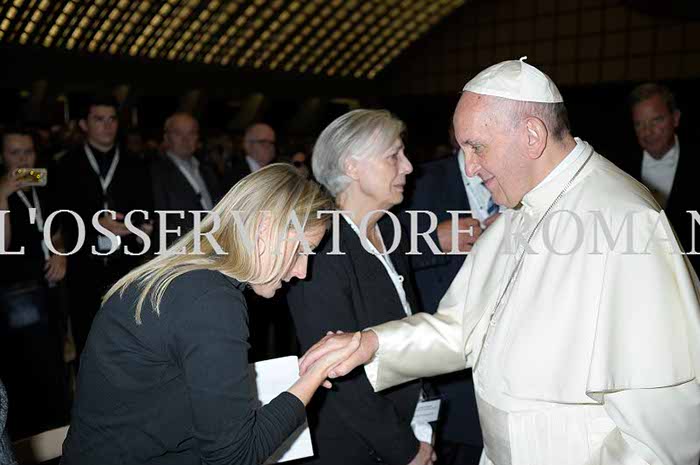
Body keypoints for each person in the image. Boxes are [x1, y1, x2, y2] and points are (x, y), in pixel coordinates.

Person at [299, 58, 700, 464]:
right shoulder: (519, 210)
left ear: (531, 135)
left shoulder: (624, 219)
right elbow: (464, 326)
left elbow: (663, 432)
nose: (469, 169)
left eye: (477, 147)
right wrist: (373, 344)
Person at [62, 164, 358, 465]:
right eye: (300, 250)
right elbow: (235, 456)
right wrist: (313, 375)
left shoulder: (191, 273)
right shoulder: (211, 299)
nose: (302, 271)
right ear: (265, 228)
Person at [287, 110, 434, 465]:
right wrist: (405, 449)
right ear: (352, 167)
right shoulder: (322, 248)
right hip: (354, 446)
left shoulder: (389, 230)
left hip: (405, 419)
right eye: (393, 156)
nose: (408, 166)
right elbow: (339, 377)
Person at [53, 95, 154, 359]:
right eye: (99, 119)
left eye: (112, 119)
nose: (107, 126)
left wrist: (135, 226)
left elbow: (149, 210)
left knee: (130, 344)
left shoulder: (136, 164)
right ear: (84, 125)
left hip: (126, 267)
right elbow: (56, 213)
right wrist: (93, 222)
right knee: (88, 346)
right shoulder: (65, 165)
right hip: (83, 268)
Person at [0, 128, 70, 438]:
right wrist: (1, 193)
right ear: (2, 156)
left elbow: (56, 228)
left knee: (55, 362)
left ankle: (60, 432)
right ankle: (31, 438)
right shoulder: (1, 188)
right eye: (15, 153)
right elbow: (2, 242)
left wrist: (59, 253)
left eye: (27, 152)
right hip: (17, 291)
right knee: (26, 368)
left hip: (50, 287)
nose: (22, 159)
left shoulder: (40, 181)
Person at [627, 83, 698, 272]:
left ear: (675, 119)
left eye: (656, 120)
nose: (647, 132)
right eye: (639, 124)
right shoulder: (621, 166)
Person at [151, 113, 221, 246]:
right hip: (180, 250)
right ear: (166, 137)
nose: (185, 139)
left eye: (191, 133)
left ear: (198, 138)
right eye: (178, 133)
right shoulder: (156, 173)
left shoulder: (207, 170)